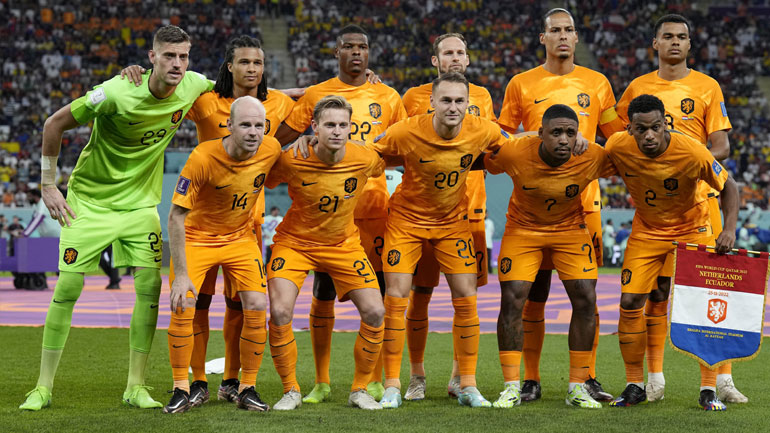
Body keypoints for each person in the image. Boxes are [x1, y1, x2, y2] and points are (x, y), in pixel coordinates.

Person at [19, 25, 214, 411]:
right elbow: (54, 123)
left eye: (183, 56)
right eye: (169, 56)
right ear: (152, 58)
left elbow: (245, 84)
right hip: (90, 203)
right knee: (67, 288)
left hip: (140, 207)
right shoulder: (116, 91)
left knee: (149, 289)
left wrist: (310, 99)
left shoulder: (194, 84)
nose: (177, 64)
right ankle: (42, 387)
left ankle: (135, 386)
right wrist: (48, 185)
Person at [121, 35, 297, 406]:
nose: (252, 69)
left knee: (243, 307)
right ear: (229, 66)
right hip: (199, 227)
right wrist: (136, 75)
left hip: (245, 225)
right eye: (244, 62)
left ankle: (236, 382)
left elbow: (312, 100)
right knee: (194, 303)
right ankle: (193, 382)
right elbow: (164, 95)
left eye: (258, 63)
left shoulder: (276, 109)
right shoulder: (204, 102)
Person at [497, 7, 625, 402]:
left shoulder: (598, 83)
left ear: (577, 37)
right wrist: (529, 140)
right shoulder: (521, 83)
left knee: (586, 295)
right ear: (544, 37)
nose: (563, 36)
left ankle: (587, 378)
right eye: (555, 30)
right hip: (533, 203)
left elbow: (617, 139)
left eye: (569, 29)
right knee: (533, 294)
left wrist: (594, 143)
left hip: (584, 205)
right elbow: (501, 137)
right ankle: (530, 379)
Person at [615, 14, 744, 404]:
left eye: (682, 37)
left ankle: (721, 381)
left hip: (701, 200)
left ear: (689, 44)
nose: (675, 42)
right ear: (655, 43)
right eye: (667, 36)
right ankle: (653, 379)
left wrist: (682, 157)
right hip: (654, 209)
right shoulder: (638, 88)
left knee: (709, 294)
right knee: (656, 294)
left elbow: (721, 146)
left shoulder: (707, 86)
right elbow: (624, 137)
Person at [274, 24, 406, 403]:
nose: (356, 52)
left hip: (371, 213)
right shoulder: (316, 96)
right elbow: (274, 143)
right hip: (311, 226)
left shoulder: (387, 97)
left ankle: (372, 381)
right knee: (321, 292)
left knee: (378, 300)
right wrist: (301, 137)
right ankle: (318, 382)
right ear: (337, 52)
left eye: (362, 47)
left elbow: (403, 147)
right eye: (348, 46)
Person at [372, 72, 509, 408]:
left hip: (452, 224)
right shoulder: (406, 130)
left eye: (459, 101)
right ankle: (392, 385)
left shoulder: (483, 129)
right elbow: (370, 152)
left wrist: (548, 135)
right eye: (445, 100)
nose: (453, 107)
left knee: (467, 298)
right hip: (406, 223)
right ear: (432, 101)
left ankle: (468, 385)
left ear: (468, 104)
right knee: (396, 298)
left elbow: (517, 145)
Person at [485, 104, 617, 409]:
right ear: (541, 133)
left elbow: (631, 161)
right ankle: (511, 387)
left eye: (570, 133)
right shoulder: (515, 152)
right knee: (513, 299)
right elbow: (482, 158)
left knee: (586, 299)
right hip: (523, 231)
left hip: (570, 230)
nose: (563, 139)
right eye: (556, 132)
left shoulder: (592, 155)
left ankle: (577, 387)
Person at [266, 95, 386, 411]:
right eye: (329, 124)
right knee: (280, 312)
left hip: (343, 245)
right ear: (314, 127)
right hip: (295, 244)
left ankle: (359, 389)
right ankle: (290, 390)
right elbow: (265, 176)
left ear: (350, 128)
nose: (336, 131)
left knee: (376, 311)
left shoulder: (364, 157)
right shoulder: (293, 159)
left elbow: (385, 160)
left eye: (342, 125)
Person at [164, 96, 279, 413]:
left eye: (259, 125)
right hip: (197, 238)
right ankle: (182, 387)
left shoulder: (271, 149)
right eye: (245, 125)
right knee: (184, 303)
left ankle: (246, 387)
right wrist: (181, 275)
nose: (253, 132)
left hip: (240, 238)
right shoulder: (202, 157)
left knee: (257, 304)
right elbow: (175, 216)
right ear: (229, 125)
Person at [399, 32, 496, 400]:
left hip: (470, 210)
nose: (455, 58)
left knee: (465, 296)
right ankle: (417, 376)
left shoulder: (482, 97)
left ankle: (459, 377)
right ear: (435, 61)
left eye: (460, 52)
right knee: (419, 293)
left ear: (468, 60)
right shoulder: (412, 97)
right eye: (447, 53)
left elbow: (494, 147)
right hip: (421, 213)